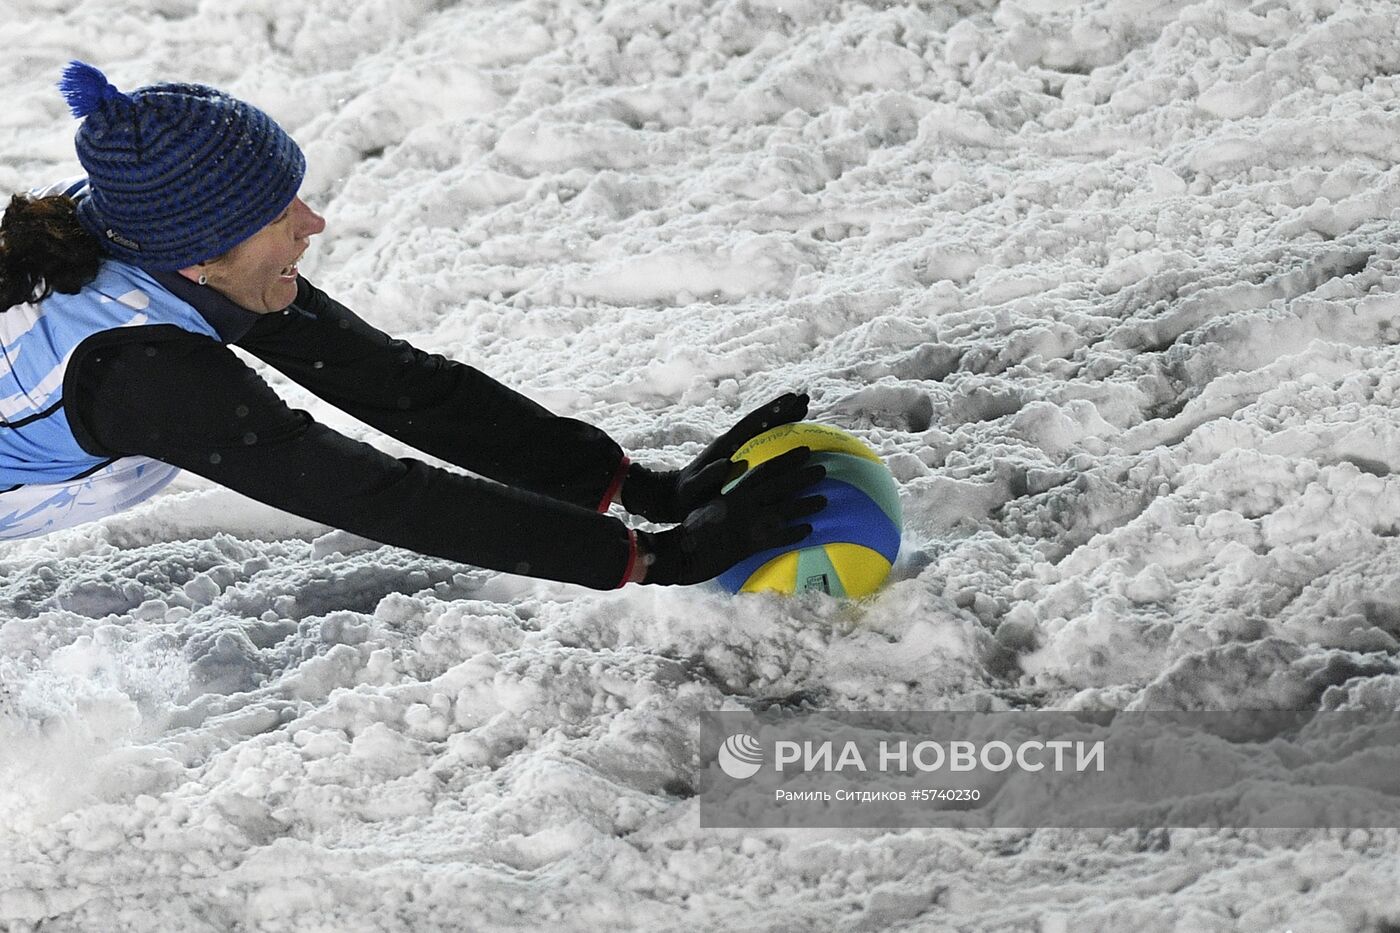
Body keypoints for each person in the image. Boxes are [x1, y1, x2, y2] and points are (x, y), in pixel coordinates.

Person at [0, 61, 826, 589]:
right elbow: (378, 495)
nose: (313, 223)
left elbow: (395, 385)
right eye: (278, 213)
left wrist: (640, 487)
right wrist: (650, 560)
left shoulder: (149, 233)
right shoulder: (143, 371)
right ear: (201, 256)